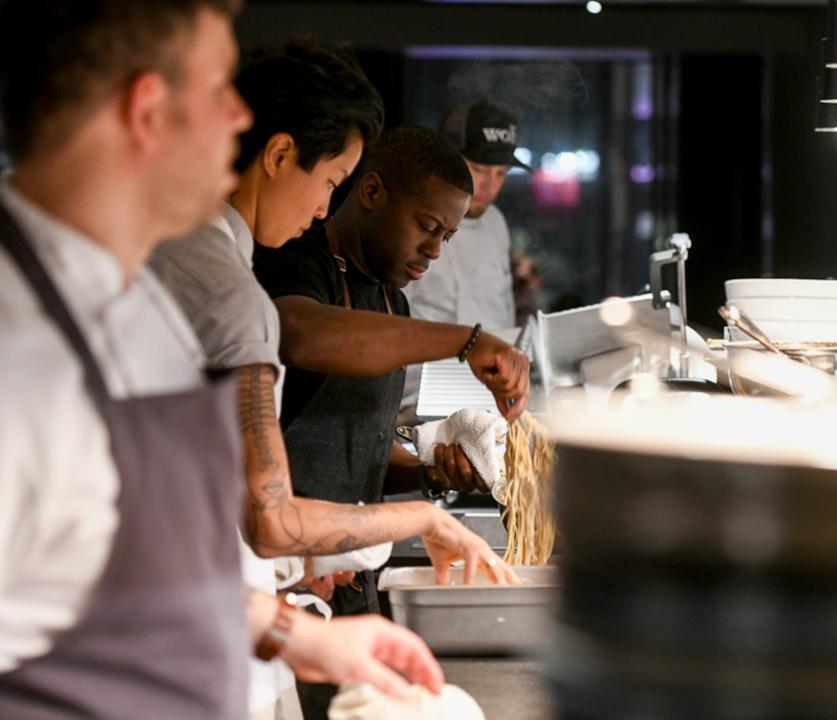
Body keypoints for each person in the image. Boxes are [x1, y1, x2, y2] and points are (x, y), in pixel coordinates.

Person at [0, 2, 444, 717]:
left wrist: (292, 632)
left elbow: (116, 562)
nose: (241, 118)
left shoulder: (134, 297)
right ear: (147, 110)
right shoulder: (19, 344)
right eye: (219, 89)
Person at [150, 42, 514, 719]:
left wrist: (424, 478)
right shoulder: (240, 289)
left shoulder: (174, 255)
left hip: (231, 604)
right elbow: (271, 521)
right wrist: (423, 518)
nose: (324, 207)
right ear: (281, 154)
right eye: (330, 181)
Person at [253, 126, 529, 712]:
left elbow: (360, 461)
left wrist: (431, 471)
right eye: (427, 227)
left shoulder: (390, 302)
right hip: (281, 586)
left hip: (353, 586)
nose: (434, 250)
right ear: (372, 191)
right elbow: (300, 334)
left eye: (448, 237)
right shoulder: (292, 263)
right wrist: (465, 341)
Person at [401, 100, 531, 412]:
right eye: (478, 169)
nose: (490, 185)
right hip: (413, 402)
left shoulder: (497, 223)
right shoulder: (409, 221)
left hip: (487, 398)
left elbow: (502, 313)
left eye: (501, 173)